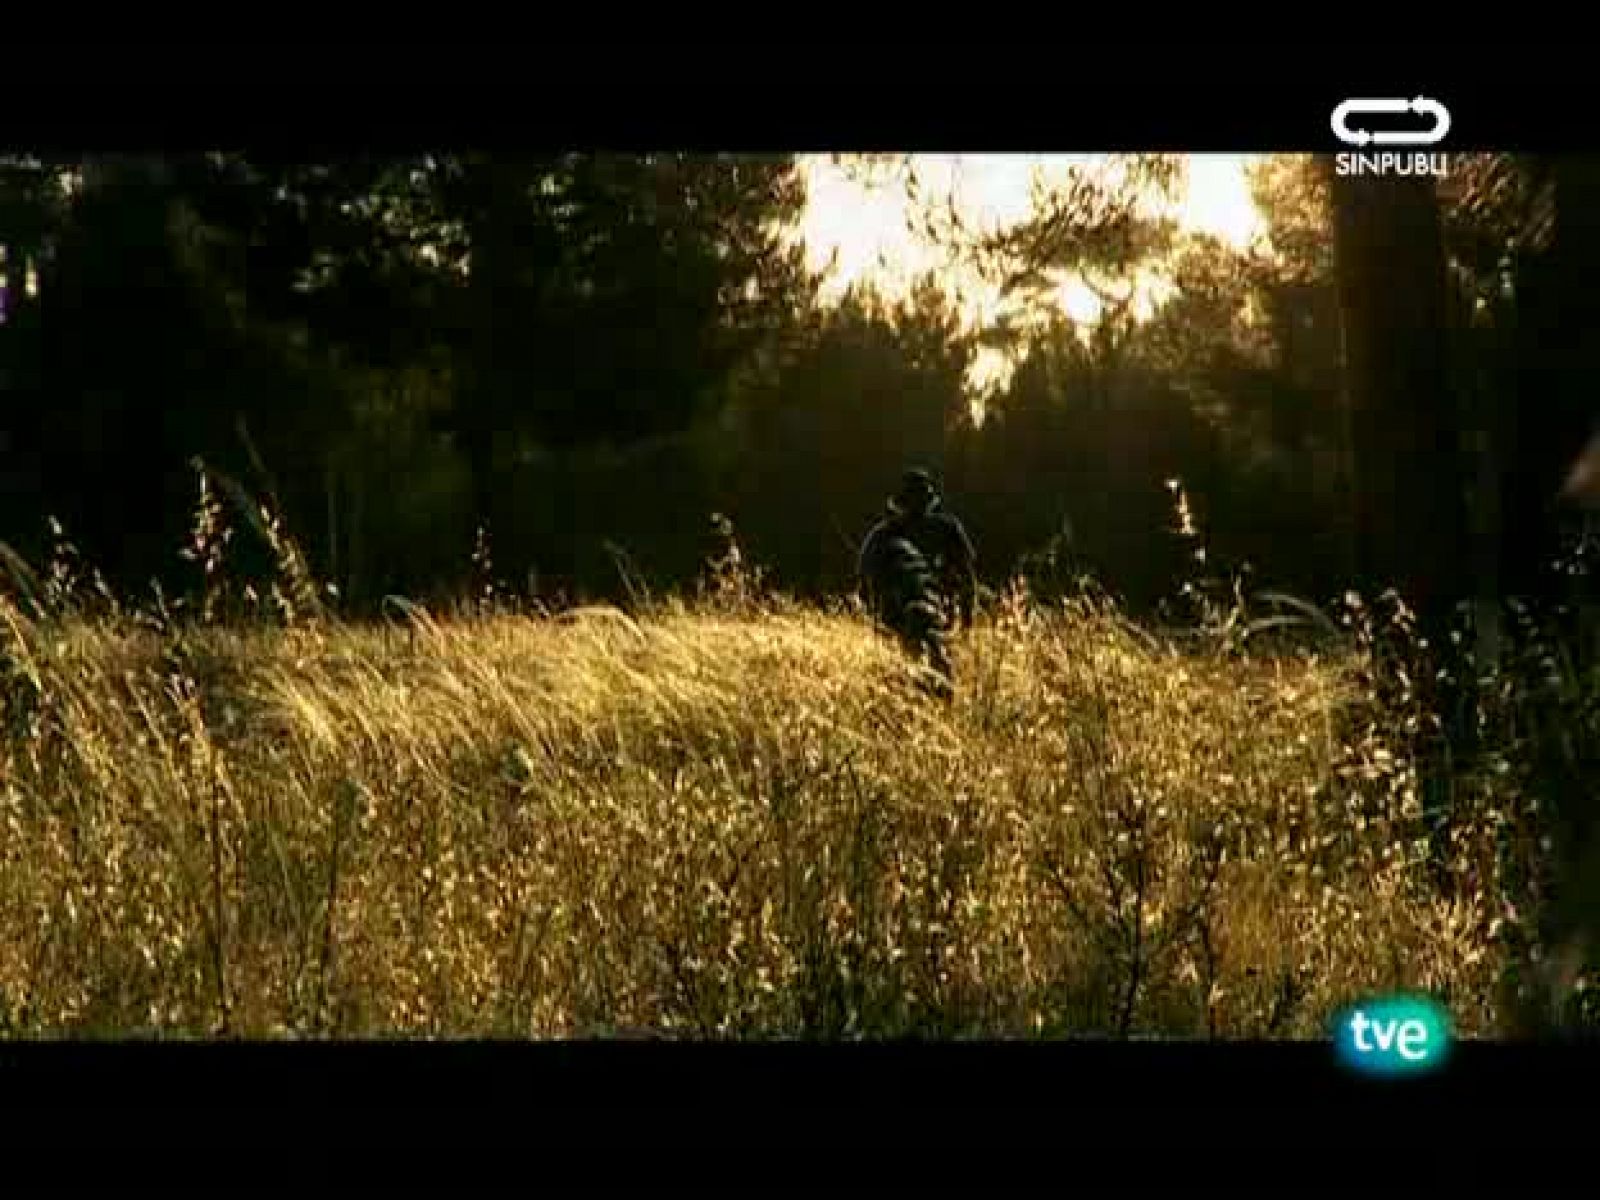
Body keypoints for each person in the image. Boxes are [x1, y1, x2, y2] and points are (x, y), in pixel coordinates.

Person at [857, 468, 977, 691]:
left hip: (906, 618)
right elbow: (968, 580)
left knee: (909, 674)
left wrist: (875, 618)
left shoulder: (884, 534)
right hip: (930, 618)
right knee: (936, 675)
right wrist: (966, 622)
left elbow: (864, 581)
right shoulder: (946, 529)